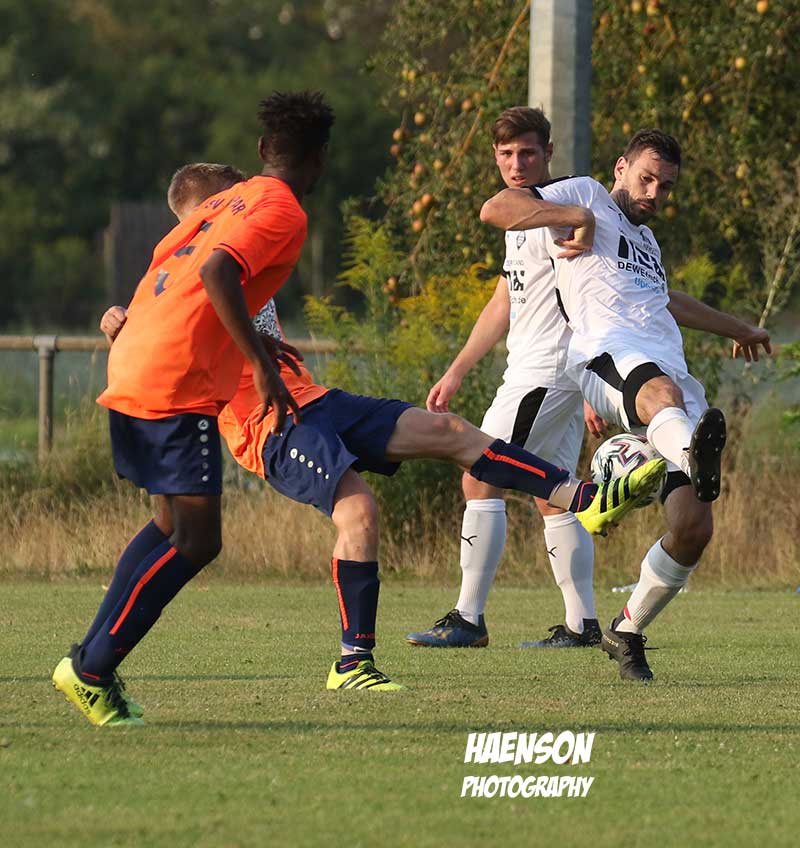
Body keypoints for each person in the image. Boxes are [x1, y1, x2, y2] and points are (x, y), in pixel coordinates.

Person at [95, 163, 665, 708]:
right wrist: (117, 322)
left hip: (314, 401)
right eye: (227, 201)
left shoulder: (237, 250)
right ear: (198, 215)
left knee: (448, 430)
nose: (239, 206)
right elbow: (150, 323)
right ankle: (353, 662)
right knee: (357, 511)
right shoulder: (193, 268)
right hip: (268, 425)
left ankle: (587, 498)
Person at [407, 107, 771, 653]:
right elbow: (506, 271)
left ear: (547, 153)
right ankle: (560, 621)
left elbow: (642, 298)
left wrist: (735, 328)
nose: (516, 164)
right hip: (587, 363)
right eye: (506, 154)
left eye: (528, 153)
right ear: (621, 167)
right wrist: (460, 369)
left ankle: (491, 619)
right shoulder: (565, 205)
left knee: (488, 475)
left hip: (564, 366)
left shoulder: (606, 224)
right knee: (536, 489)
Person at [52, 91, 336, 727]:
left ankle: (90, 661)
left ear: (261, 150)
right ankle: (92, 668)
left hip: (135, 358)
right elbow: (217, 274)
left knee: (167, 525)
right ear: (320, 158)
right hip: (176, 380)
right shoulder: (283, 208)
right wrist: (262, 365)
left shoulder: (221, 202)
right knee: (199, 540)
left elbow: (171, 268)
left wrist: (249, 338)